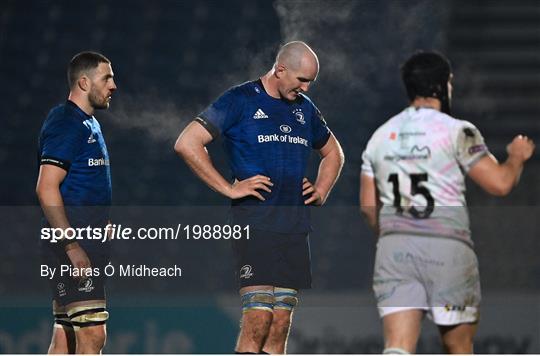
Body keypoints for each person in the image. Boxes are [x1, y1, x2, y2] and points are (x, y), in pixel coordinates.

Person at [359, 50, 535, 354]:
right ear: (442, 86)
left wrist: (392, 235)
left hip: (395, 247)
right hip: (446, 247)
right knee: (458, 348)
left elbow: (367, 206)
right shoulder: (457, 131)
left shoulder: (380, 136)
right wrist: (517, 157)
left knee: (397, 347)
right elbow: (500, 183)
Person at [175, 41, 344, 354]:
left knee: (280, 324)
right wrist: (228, 187)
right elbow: (188, 143)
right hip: (255, 224)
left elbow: (334, 152)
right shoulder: (240, 99)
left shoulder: (305, 109)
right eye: (301, 80)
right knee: (259, 318)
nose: (306, 88)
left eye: (311, 82)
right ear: (280, 70)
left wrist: (321, 190)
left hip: (294, 226)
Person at [36, 51, 116, 354]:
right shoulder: (66, 121)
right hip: (73, 246)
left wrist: (100, 224)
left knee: (65, 335)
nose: (113, 85)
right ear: (83, 82)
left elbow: (81, 183)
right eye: (107, 77)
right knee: (92, 334)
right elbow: (46, 187)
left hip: (86, 240)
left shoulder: (88, 122)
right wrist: (72, 245)